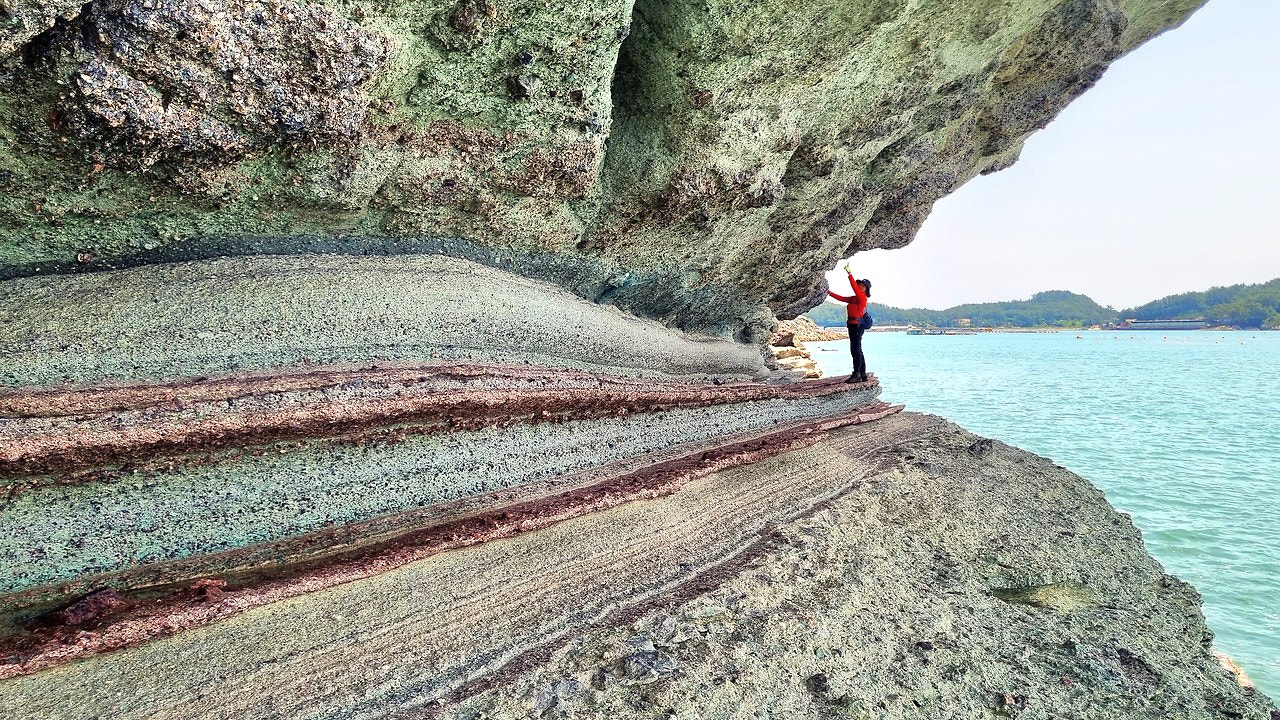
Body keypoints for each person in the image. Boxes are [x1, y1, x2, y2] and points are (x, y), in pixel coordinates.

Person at [826, 264, 871, 383]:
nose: (860, 286)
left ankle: (857, 374)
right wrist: (828, 292)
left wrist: (849, 273)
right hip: (852, 325)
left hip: (857, 326)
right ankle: (863, 374)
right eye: (860, 285)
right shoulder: (854, 298)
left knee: (855, 350)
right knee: (857, 350)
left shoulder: (862, 297)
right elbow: (841, 298)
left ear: (866, 290)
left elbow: (853, 286)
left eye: (863, 286)